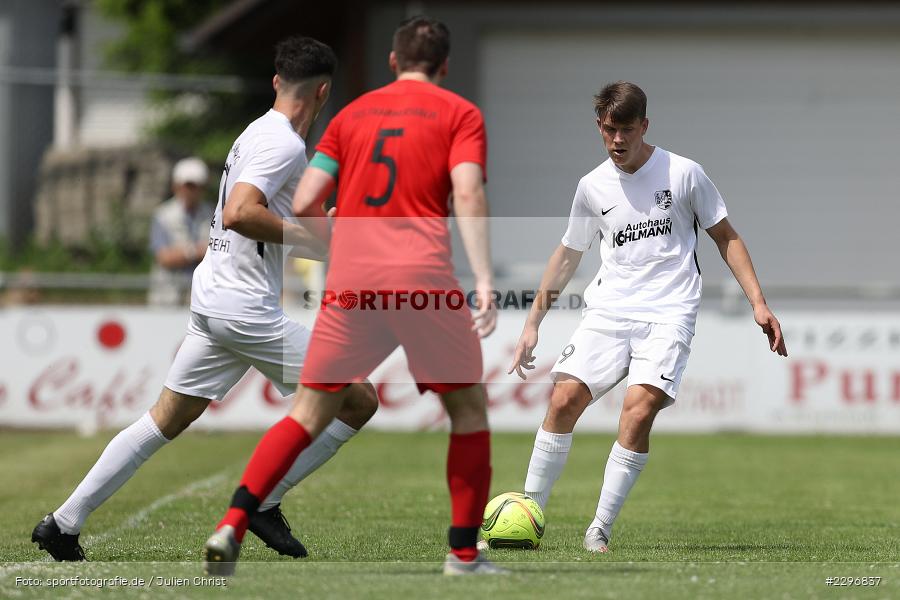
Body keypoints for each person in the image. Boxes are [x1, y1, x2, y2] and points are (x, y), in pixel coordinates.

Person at [32, 36, 378, 562]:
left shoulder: (256, 133)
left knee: (164, 419)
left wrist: (321, 227)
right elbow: (242, 212)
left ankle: (63, 523)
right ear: (324, 92)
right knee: (358, 398)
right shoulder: (283, 142)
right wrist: (313, 238)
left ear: (277, 82)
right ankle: (264, 502)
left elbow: (256, 218)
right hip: (243, 310)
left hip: (215, 302)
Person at [204, 16, 503, 576]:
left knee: (308, 414)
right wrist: (483, 276)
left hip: (353, 283)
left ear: (392, 62)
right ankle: (463, 553)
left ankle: (232, 523)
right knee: (467, 412)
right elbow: (467, 190)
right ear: (443, 66)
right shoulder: (460, 114)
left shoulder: (350, 115)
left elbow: (312, 198)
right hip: (421, 282)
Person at [508, 81, 788, 554]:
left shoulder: (684, 173)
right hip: (609, 310)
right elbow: (569, 254)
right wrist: (533, 321)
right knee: (562, 401)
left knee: (636, 412)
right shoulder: (591, 186)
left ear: (645, 126)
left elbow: (726, 236)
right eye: (608, 130)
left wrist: (757, 301)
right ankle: (528, 515)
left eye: (627, 131)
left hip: (668, 313)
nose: (617, 141)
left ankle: (599, 529)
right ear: (599, 126)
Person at [147, 157, 214, 307]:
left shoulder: (213, 214)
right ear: (176, 186)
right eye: (188, 185)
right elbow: (164, 258)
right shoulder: (162, 215)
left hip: (201, 298)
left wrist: (182, 253)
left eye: (196, 186)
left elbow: (218, 255)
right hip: (167, 297)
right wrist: (196, 252)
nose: (192, 191)